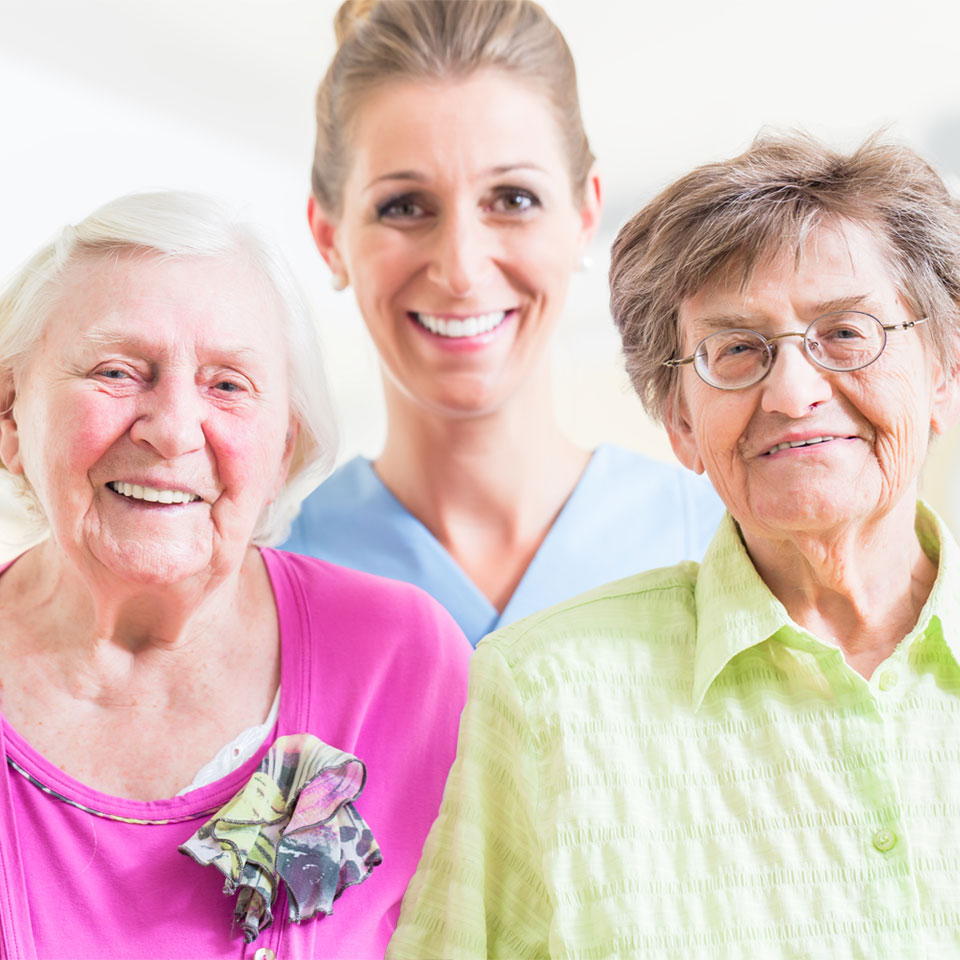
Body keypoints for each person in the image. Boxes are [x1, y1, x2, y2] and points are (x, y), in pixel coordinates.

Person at [387, 133, 960, 958]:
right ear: (682, 423)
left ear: (941, 373)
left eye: (845, 333)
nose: (794, 392)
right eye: (737, 351)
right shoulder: (548, 693)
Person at [0, 192, 471, 960]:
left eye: (227, 384)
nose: (175, 430)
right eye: (118, 371)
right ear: (11, 416)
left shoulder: (403, 664)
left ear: (285, 444)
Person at [282, 0, 724, 646]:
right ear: (329, 236)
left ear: (583, 216)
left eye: (514, 199)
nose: (460, 269)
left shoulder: (719, 546)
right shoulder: (273, 579)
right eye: (405, 206)